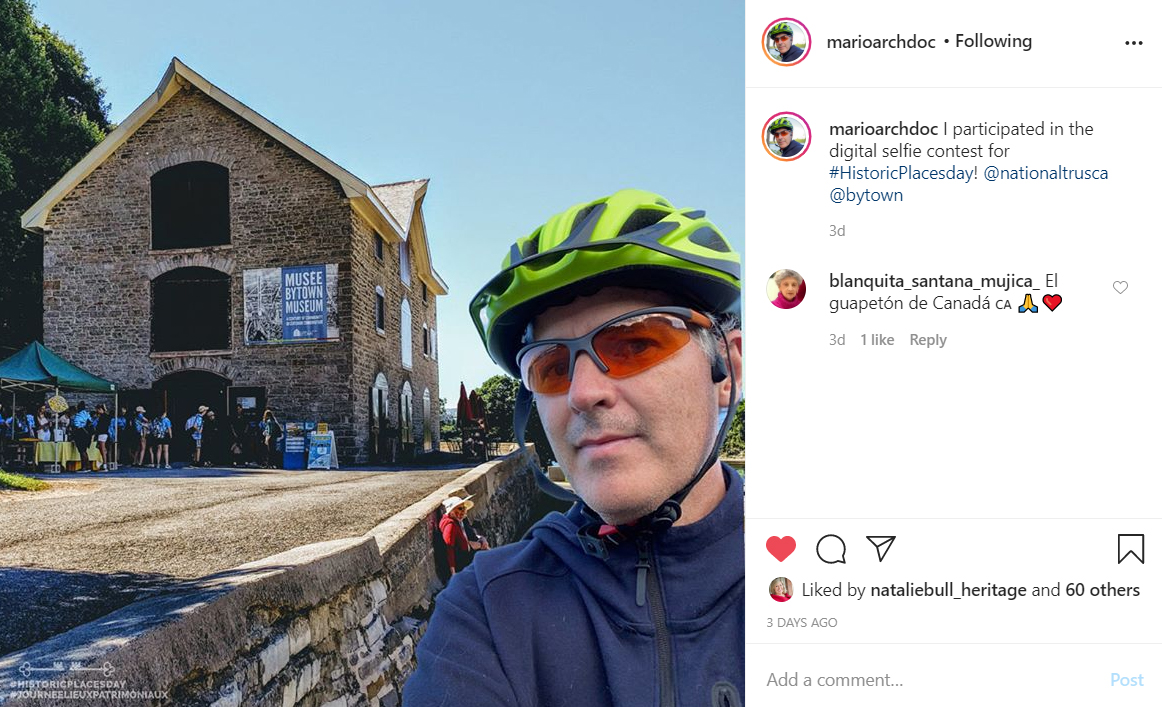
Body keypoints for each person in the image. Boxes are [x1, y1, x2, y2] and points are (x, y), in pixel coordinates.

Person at [406, 189, 744, 706]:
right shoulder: (489, 611)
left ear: (727, 371)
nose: (583, 393)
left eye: (634, 344)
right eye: (553, 367)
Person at [439, 495, 490, 576]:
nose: (463, 511)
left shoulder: (458, 521)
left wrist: (481, 540)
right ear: (451, 511)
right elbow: (449, 548)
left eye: (464, 508)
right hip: (463, 562)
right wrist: (453, 573)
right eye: (460, 508)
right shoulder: (450, 525)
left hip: (468, 555)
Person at [93, 404, 111, 471]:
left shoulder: (102, 417)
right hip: (104, 433)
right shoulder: (106, 416)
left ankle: (105, 464)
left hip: (102, 433)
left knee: (102, 449)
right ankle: (104, 463)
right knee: (102, 449)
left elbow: (100, 426)